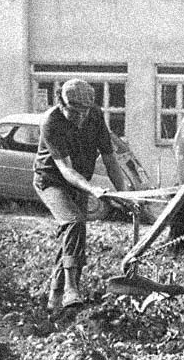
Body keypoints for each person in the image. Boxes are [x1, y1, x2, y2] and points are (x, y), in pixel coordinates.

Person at [33, 79, 125, 311]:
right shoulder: (51, 122)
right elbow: (65, 169)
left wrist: (123, 193)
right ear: (60, 103)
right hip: (51, 181)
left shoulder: (94, 116)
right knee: (74, 222)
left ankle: (55, 296)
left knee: (74, 237)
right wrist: (94, 189)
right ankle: (71, 289)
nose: (81, 117)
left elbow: (109, 157)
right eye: (74, 112)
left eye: (84, 112)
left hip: (79, 183)